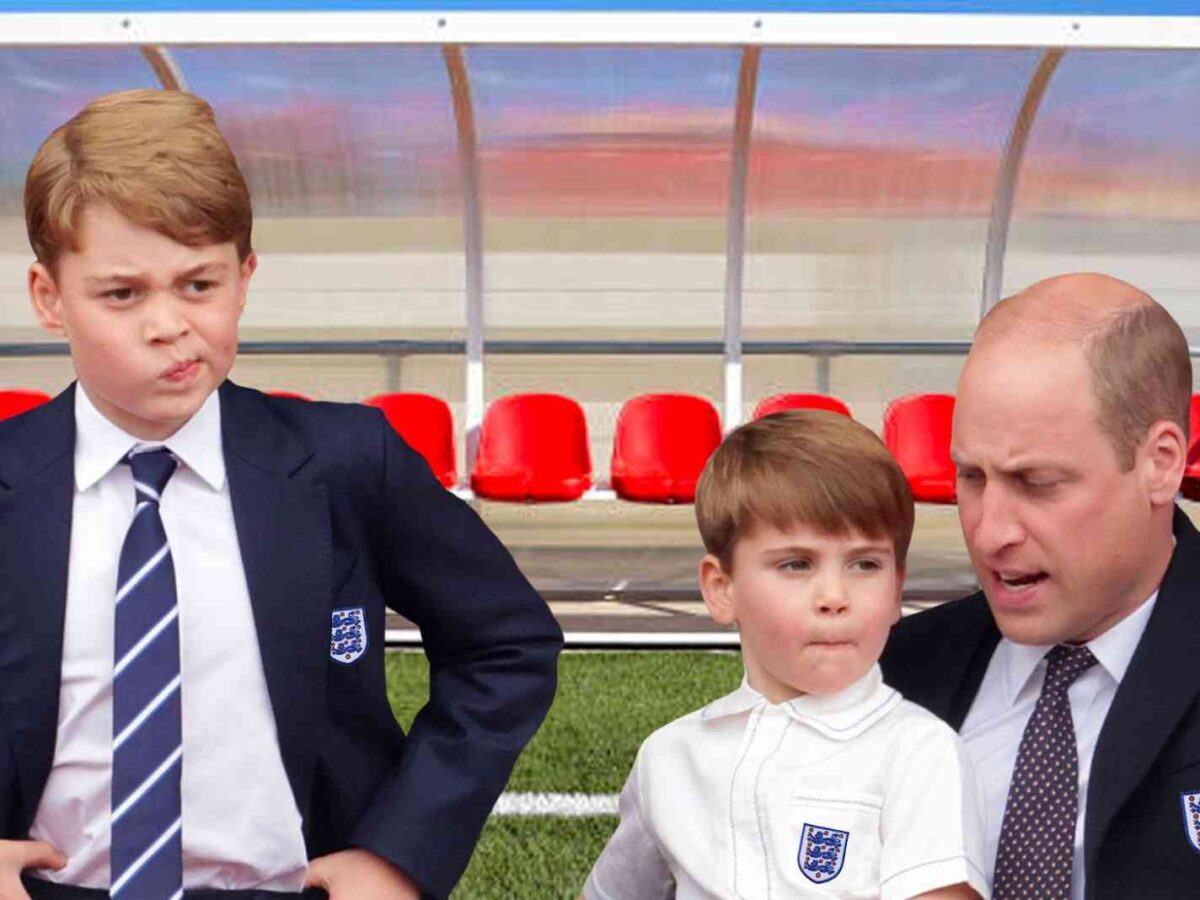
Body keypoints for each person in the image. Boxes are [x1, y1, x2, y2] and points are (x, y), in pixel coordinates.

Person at [0, 88, 562, 900]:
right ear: (49, 298)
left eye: (200, 284)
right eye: (122, 293)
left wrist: (398, 854)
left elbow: (505, 645)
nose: (168, 325)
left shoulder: (347, 462)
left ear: (245, 275)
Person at [881, 272, 1199, 899]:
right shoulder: (891, 670)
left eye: (1037, 483)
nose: (989, 531)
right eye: (971, 477)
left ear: (1160, 464)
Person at [584, 410, 989, 900]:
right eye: (797, 564)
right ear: (722, 588)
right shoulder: (670, 756)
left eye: (865, 564)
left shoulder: (918, 751)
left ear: (897, 587)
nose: (835, 595)